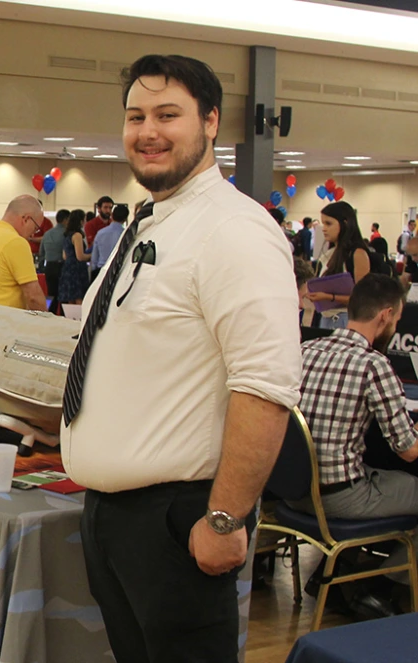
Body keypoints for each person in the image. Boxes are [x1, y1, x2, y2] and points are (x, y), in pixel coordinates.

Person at [62, 54, 301, 663]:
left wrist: (224, 520)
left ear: (212, 122)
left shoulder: (232, 230)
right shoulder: (152, 222)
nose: (148, 131)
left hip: (178, 519)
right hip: (112, 517)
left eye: (169, 114)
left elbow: (265, 387)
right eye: (136, 116)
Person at [296, 275, 418, 604]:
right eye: (397, 319)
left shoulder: (306, 350)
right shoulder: (373, 365)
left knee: (378, 468)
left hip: (293, 493)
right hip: (339, 498)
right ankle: (384, 589)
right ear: (385, 315)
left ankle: (338, 577)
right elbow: (409, 450)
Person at [305, 201, 372, 330]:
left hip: (345, 319)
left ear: (345, 223)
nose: (323, 228)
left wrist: (329, 297)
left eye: (328, 223)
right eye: (323, 223)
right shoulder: (328, 254)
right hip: (325, 317)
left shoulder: (357, 254)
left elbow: (363, 298)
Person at [58, 209, 90, 305]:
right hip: (77, 270)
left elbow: (64, 256)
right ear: (81, 221)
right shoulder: (77, 235)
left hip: (67, 268)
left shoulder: (67, 235)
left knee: (70, 299)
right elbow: (80, 256)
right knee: (79, 298)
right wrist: (92, 256)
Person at [89, 203, 128, 281]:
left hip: (100, 270)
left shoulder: (100, 233)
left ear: (112, 215)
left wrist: (93, 271)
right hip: (117, 272)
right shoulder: (126, 235)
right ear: (125, 219)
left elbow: (94, 256)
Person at [40, 209, 68, 313]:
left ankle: (49, 315)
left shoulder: (47, 234)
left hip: (49, 267)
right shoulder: (66, 234)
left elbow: (41, 253)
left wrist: (42, 267)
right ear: (65, 220)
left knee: (51, 294)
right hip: (62, 267)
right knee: (64, 295)